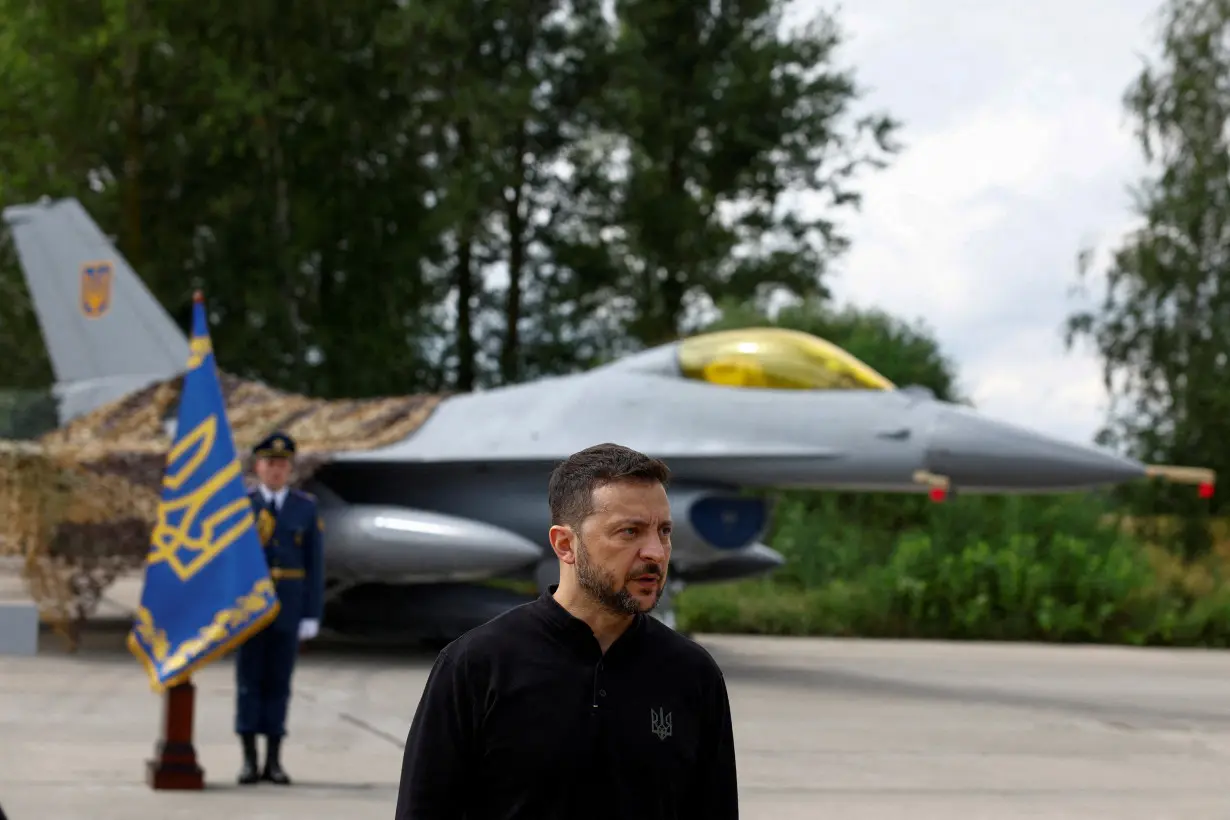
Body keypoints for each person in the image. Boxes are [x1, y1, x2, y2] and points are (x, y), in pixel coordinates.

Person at [393, 442, 739, 820]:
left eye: (664, 531)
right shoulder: (476, 666)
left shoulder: (693, 675)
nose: (655, 552)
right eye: (629, 532)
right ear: (565, 544)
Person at [234, 431, 325, 786]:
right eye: (270, 464)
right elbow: (233, 561)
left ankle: (274, 760)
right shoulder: (244, 505)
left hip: (288, 606)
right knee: (248, 683)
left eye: (282, 464)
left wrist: (310, 613)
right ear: (258, 466)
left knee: (278, 684)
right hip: (250, 608)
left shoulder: (305, 507)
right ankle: (248, 759)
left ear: (289, 469)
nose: (276, 470)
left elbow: (315, 565)